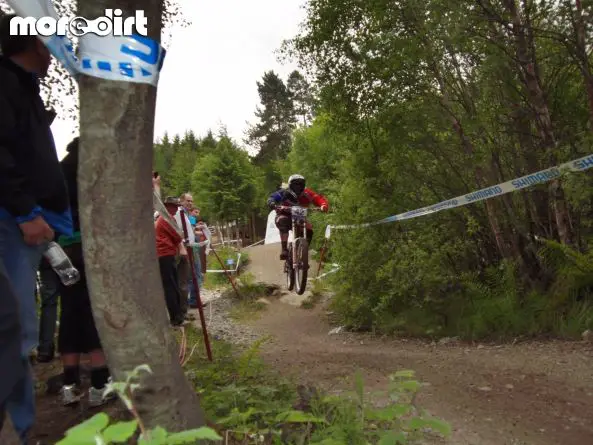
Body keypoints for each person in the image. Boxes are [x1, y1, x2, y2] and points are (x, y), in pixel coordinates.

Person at [0, 14, 72, 442]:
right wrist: (26, 212)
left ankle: (21, 429)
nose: (49, 54)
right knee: (13, 329)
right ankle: (14, 428)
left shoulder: (20, 88)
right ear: (33, 46)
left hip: (26, 222)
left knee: (17, 331)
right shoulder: (5, 83)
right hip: (12, 222)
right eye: (45, 45)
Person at [56, 138, 113, 407]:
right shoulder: (92, 172)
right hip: (91, 248)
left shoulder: (57, 172)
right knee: (94, 311)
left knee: (69, 312)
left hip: (61, 252)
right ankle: (100, 384)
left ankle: (69, 384)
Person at [267, 174, 329, 259]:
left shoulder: (307, 193)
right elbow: (272, 197)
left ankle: (304, 250)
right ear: (290, 185)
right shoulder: (284, 192)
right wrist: (272, 203)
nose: (298, 187)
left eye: (300, 185)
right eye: (295, 184)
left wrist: (323, 205)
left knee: (309, 229)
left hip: (300, 217)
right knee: (282, 221)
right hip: (284, 215)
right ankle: (284, 249)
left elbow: (318, 198)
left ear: (303, 185)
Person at [155, 197, 186, 326]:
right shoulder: (166, 219)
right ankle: (176, 317)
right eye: (174, 206)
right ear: (168, 207)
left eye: (177, 206)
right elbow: (178, 236)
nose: (177, 208)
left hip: (165, 254)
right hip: (165, 254)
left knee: (171, 285)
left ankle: (177, 314)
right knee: (171, 286)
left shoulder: (163, 219)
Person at [36, 257, 60, 363]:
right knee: (74, 299)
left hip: (46, 255)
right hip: (71, 253)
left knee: (49, 303)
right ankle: (77, 346)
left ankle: (45, 349)